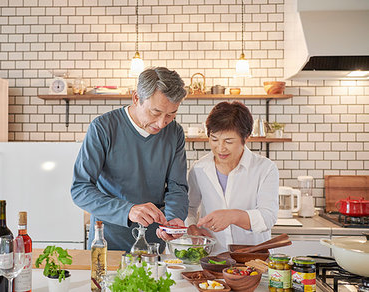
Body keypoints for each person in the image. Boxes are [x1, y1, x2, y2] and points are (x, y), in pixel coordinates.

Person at [71, 67, 189, 252]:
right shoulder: (103, 128)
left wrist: (174, 218)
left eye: (171, 114)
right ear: (136, 98)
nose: (161, 123)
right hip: (108, 242)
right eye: (155, 112)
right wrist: (128, 210)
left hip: (154, 244)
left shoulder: (174, 133)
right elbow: (80, 189)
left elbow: (177, 187)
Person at [186, 101, 279, 254]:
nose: (220, 148)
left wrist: (233, 216)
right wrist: (193, 227)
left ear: (246, 137)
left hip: (253, 260)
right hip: (213, 258)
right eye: (214, 139)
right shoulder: (199, 168)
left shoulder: (265, 169)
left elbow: (267, 217)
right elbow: (189, 208)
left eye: (228, 141)